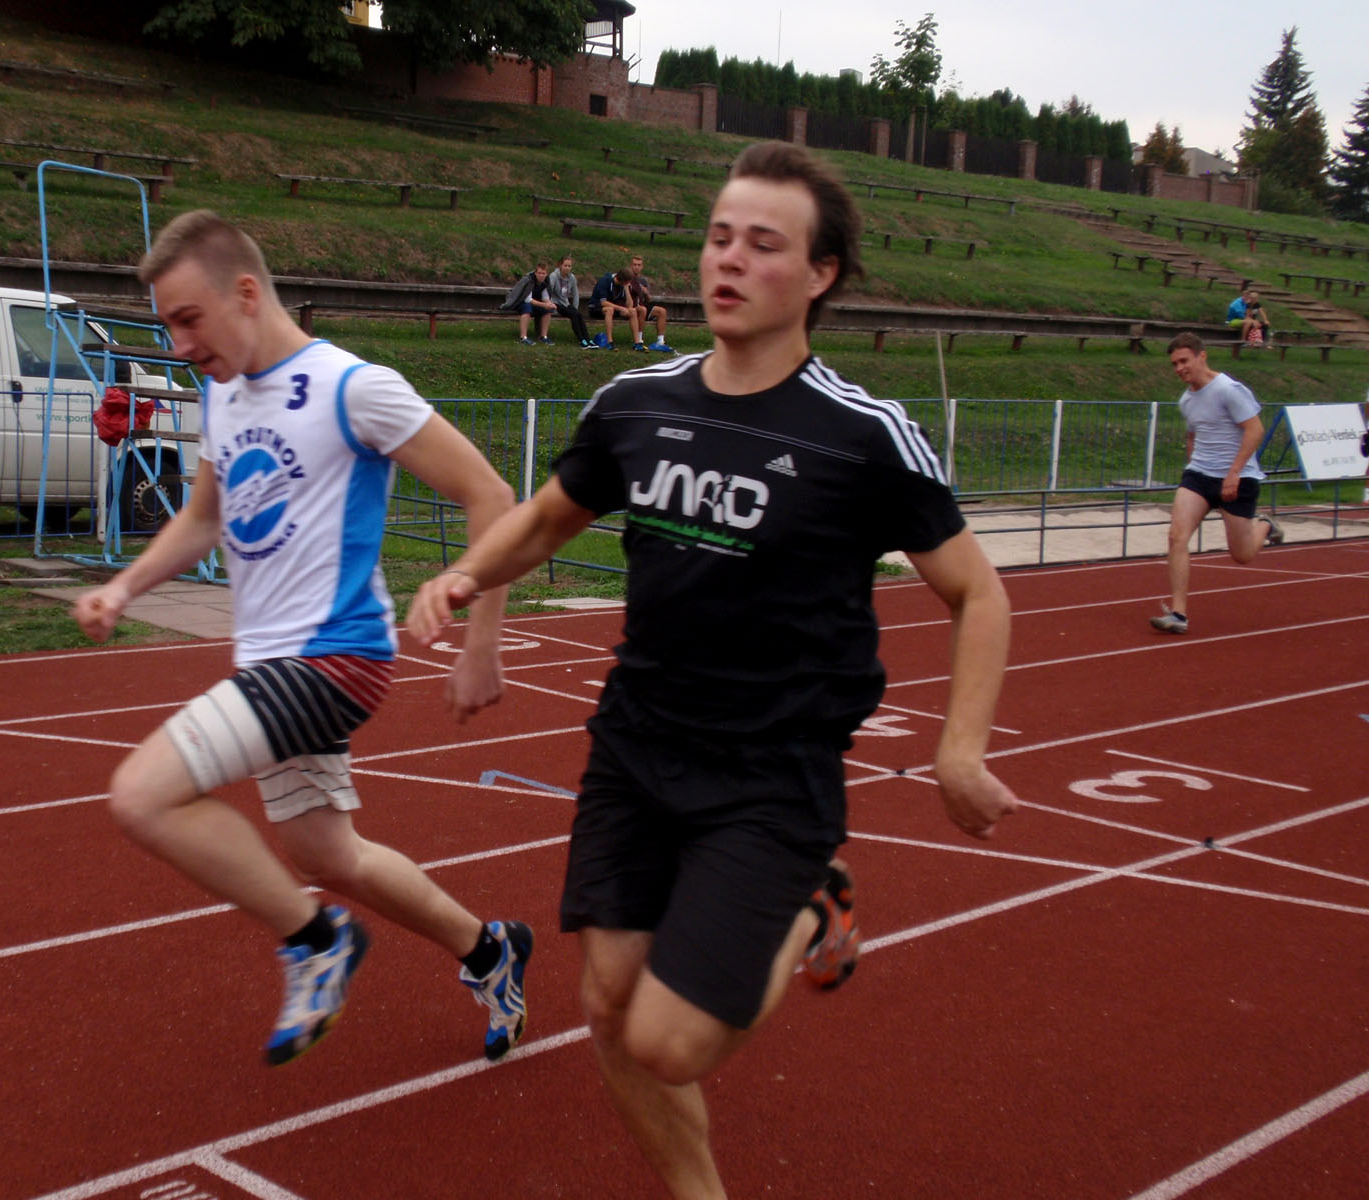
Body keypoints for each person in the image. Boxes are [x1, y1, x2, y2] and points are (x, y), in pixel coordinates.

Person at [408, 143, 1018, 1199]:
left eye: (763, 244)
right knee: (608, 1006)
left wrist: (957, 751)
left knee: (671, 1041)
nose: (728, 260)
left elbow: (979, 593)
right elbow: (547, 518)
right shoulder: (635, 402)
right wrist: (467, 576)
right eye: (719, 236)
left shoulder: (864, 436)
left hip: (769, 771)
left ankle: (809, 904)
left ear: (819, 274)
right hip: (636, 745)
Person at [73, 209, 533, 1068]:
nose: (180, 346)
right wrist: (124, 586)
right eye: (169, 326)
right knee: (328, 854)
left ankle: (317, 941)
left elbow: (492, 496)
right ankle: (489, 948)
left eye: (189, 319)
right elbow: (203, 520)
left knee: (141, 795)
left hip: (337, 658)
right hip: (270, 664)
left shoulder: (354, 388)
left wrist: (482, 644)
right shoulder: (221, 393)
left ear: (246, 293)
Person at [1150, 331, 1284, 635]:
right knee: (1176, 536)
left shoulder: (1229, 390)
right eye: (1174, 364)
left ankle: (1264, 525)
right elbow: (1193, 435)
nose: (1179, 368)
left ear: (1202, 356)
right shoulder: (1186, 400)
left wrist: (1233, 473)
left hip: (1238, 477)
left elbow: (1255, 430)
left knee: (1243, 555)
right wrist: (1192, 466)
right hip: (1199, 475)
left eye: (1184, 361)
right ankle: (1178, 614)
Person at [626, 254, 677, 354]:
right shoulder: (627, 278)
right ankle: (639, 340)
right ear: (631, 265)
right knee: (642, 309)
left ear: (642, 267)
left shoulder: (643, 281)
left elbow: (649, 300)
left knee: (661, 311)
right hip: (631, 306)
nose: (636, 267)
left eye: (639, 265)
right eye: (634, 265)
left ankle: (660, 341)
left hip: (642, 304)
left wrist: (646, 293)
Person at [547, 254, 596, 348]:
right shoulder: (554, 276)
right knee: (573, 315)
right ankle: (581, 340)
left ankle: (588, 339)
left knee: (578, 314)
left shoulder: (572, 278)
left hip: (565, 303)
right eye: (565, 265)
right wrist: (550, 304)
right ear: (560, 265)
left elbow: (575, 293)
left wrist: (575, 307)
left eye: (569, 266)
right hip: (555, 303)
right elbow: (548, 291)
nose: (567, 268)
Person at [502, 259, 556, 345]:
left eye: (543, 273)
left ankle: (543, 336)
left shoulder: (546, 281)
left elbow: (545, 297)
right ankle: (523, 337)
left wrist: (550, 304)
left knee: (547, 310)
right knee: (527, 308)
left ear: (546, 274)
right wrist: (544, 305)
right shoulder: (528, 280)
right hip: (520, 301)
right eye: (539, 273)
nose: (541, 275)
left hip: (534, 303)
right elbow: (527, 299)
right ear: (535, 273)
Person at [587, 266, 641, 349]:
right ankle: (610, 342)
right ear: (623, 280)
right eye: (628, 282)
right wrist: (620, 308)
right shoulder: (605, 281)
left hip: (614, 308)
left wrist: (626, 289)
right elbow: (604, 302)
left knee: (632, 311)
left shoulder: (623, 285)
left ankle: (637, 343)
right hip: (596, 307)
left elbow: (630, 305)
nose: (629, 283)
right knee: (610, 310)